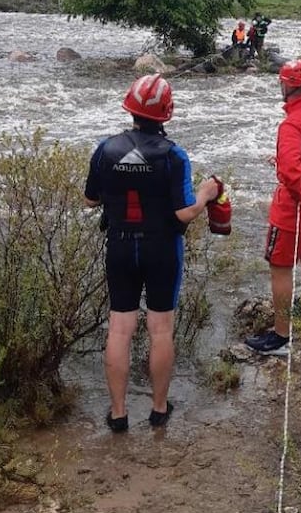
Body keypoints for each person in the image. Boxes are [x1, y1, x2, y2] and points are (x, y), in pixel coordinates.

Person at [85, 74, 219, 430]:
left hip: (120, 246)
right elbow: (183, 213)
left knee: (119, 328)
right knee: (160, 329)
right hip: (162, 248)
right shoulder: (174, 155)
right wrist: (206, 195)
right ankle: (159, 410)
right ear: (166, 113)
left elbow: (89, 199)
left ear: (129, 108)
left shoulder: (106, 149)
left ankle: (118, 415)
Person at [245, 59, 301, 355]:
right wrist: (284, 161)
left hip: (294, 209)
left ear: (286, 85)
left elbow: (293, 174)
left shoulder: (291, 124)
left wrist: (287, 172)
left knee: (280, 268)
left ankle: (281, 337)